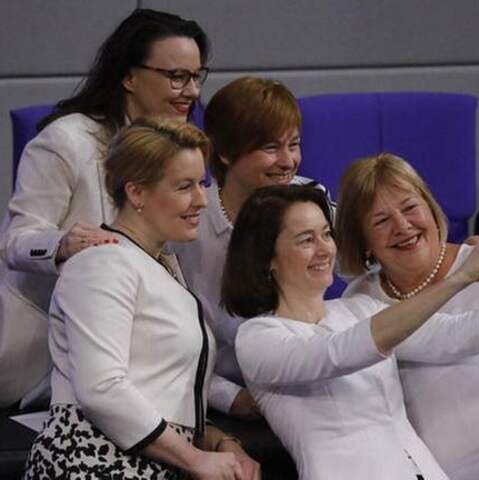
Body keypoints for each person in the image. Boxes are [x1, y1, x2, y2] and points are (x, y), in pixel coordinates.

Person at [23, 118, 260, 480]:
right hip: (91, 467)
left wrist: (216, 441)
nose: (200, 200)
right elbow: (102, 390)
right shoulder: (102, 262)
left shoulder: (158, 264)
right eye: (184, 186)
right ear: (136, 193)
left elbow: (162, 393)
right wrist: (197, 460)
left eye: (201, 183)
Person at [0, 8, 210, 408]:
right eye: (176, 76)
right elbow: (13, 241)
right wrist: (62, 244)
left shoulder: (184, 148)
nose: (192, 91)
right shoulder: (65, 141)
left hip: (138, 356)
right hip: (37, 358)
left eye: (197, 76)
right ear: (129, 76)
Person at [222, 184, 479, 480]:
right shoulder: (257, 337)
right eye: (306, 240)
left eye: (327, 234)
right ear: (267, 258)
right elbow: (340, 352)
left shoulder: (359, 308)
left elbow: (454, 336)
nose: (325, 249)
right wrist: (460, 278)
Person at [173, 76, 334, 419]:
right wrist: (231, 398)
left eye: (294, 144)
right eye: (271, 148)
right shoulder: (187, 226)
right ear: (226, 153)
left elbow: (361, 261)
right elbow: (168, 346)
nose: (288, 161)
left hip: (306, 383)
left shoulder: (312, 198)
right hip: (220, 399)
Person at [336, 152, 479, 480]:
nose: (402, 226)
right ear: (364, 242)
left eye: (410, 207)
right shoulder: (359, 300)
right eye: (381, 221)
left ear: (430, 207)